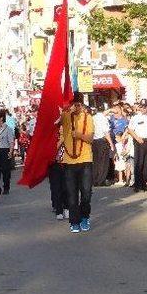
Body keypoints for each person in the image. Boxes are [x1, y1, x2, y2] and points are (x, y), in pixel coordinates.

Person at [60, 95, 94, 233]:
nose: (77, 107)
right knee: (72, 194)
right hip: (69, 162)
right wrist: (67, 110)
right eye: (74, 104)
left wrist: (79, 135)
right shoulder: (66, 116)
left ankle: (85, 217)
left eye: (79, 104)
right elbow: (56, 121)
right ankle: (74, 221)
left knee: (86, 192)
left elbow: (90, 138)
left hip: (85, 160)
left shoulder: (88, 117)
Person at [127, 100, 147, 192]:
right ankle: (138, 185)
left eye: (145, 106)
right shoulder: (136, 117)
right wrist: (137, 138)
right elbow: (130, 130)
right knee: (139, 163)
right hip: (139, 141)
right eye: (142, 107)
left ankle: (144, 182)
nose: (144, 108)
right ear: (139, 107)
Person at [49, 123, 69, 220]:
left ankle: (66, 208)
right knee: (57, 188)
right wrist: (61, 140)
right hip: (55, 165)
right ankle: (59, 210)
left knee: (66, 188)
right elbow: (51, 151)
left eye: (63, 129)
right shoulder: (53, 138)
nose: (61, 131)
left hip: (67, 165)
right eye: (60, 129)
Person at [92, 106, 114, 187]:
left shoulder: (93, 118)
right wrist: (111, 144)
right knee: (103, 162)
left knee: (96, 161)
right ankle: (101, 180)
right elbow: (106, 132)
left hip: (94, 141)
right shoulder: (103, 119)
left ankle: (95, 180)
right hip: (102, 141)